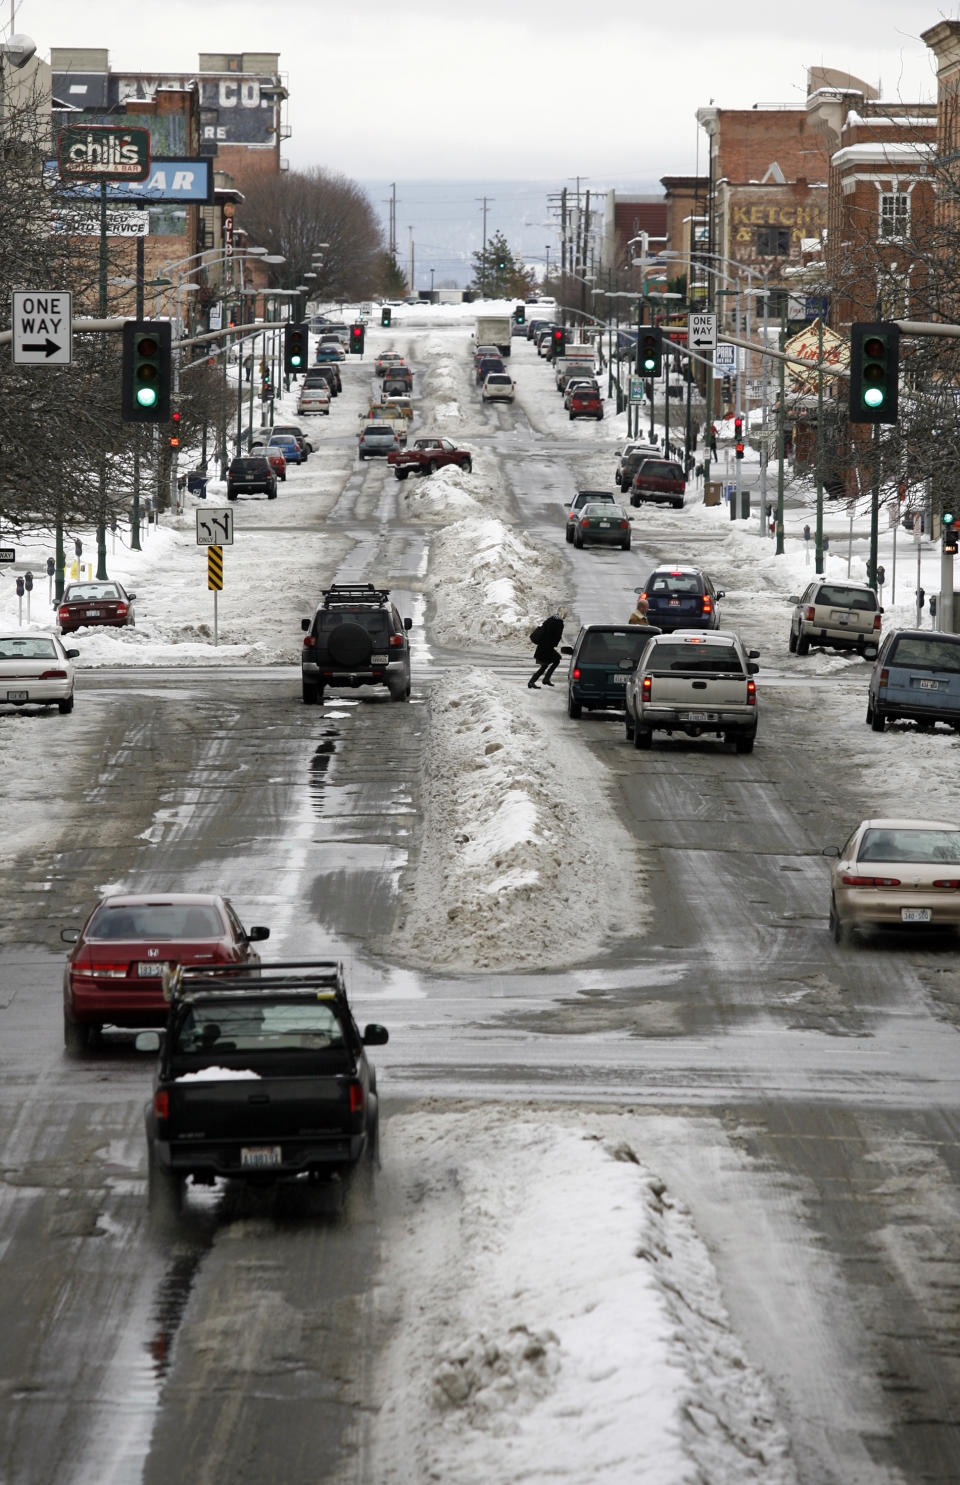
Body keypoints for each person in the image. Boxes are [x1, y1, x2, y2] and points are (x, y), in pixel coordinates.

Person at [528, 607, 567, 688]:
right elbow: (557, 637)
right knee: (556, 660)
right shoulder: (559, 623)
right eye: (565, 614)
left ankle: (537, 680)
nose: (565, 616)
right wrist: (554, 644)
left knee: (545, 665)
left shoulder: (550, 619)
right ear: (562, 614)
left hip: (542, 646)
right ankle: (541, 680)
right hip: (547, 648)